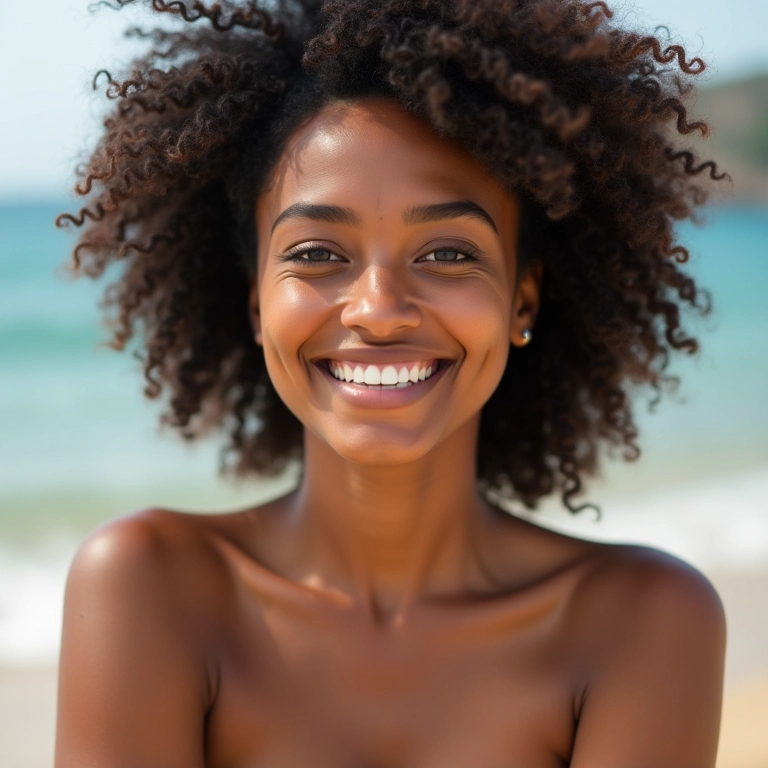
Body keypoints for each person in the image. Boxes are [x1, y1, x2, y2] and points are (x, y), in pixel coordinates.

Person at [54, 1, 728, 766]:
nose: (377, 311)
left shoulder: (643, 623)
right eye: (315, 254)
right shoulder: (151, 588)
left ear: (521, 302)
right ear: (255, 303)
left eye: (447, 254)